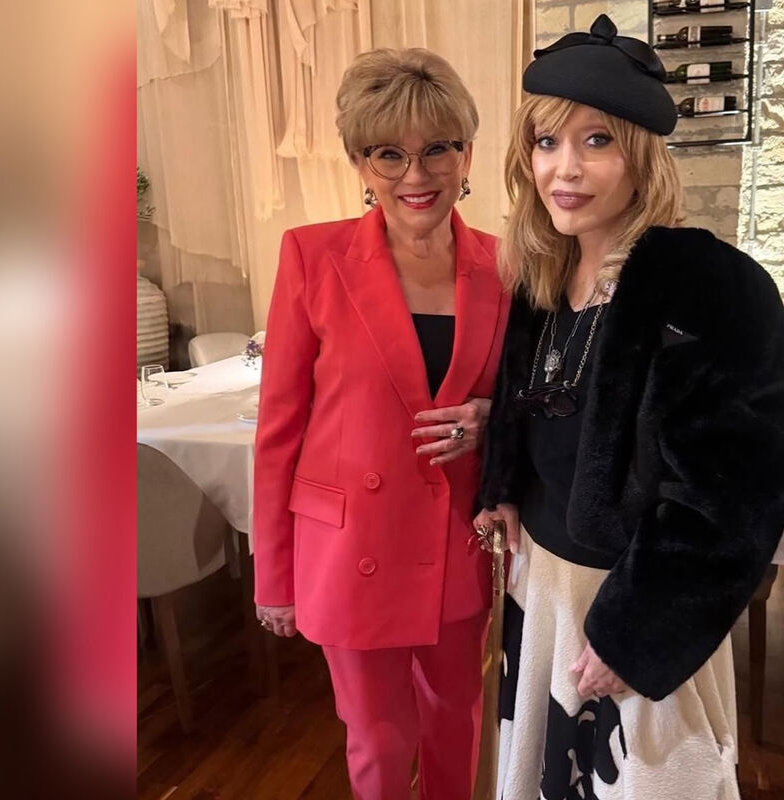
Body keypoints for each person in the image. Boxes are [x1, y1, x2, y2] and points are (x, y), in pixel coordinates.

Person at [473, 15, 784, 799]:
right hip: (546, 587)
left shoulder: (710, 285)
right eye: (547, 142)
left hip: (636, 604)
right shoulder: (540, 277)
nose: (565, 168)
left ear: (642, 157)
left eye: (597, 141)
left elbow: (735, 496)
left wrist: (637, 634)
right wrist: (503, 483)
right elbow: (533, 408)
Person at [252, 47, 510, 800]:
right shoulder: (313, 256)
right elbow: (279, 428)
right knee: (378, 737)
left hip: (455, 541)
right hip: (349, 548)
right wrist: (274, 577)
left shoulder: (507, 266)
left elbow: (534, 400)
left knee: (456, 722)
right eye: (388, 154)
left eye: (437, 150)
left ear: (467, 153)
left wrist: (492, 419)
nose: (415, 175)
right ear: (360, 163)